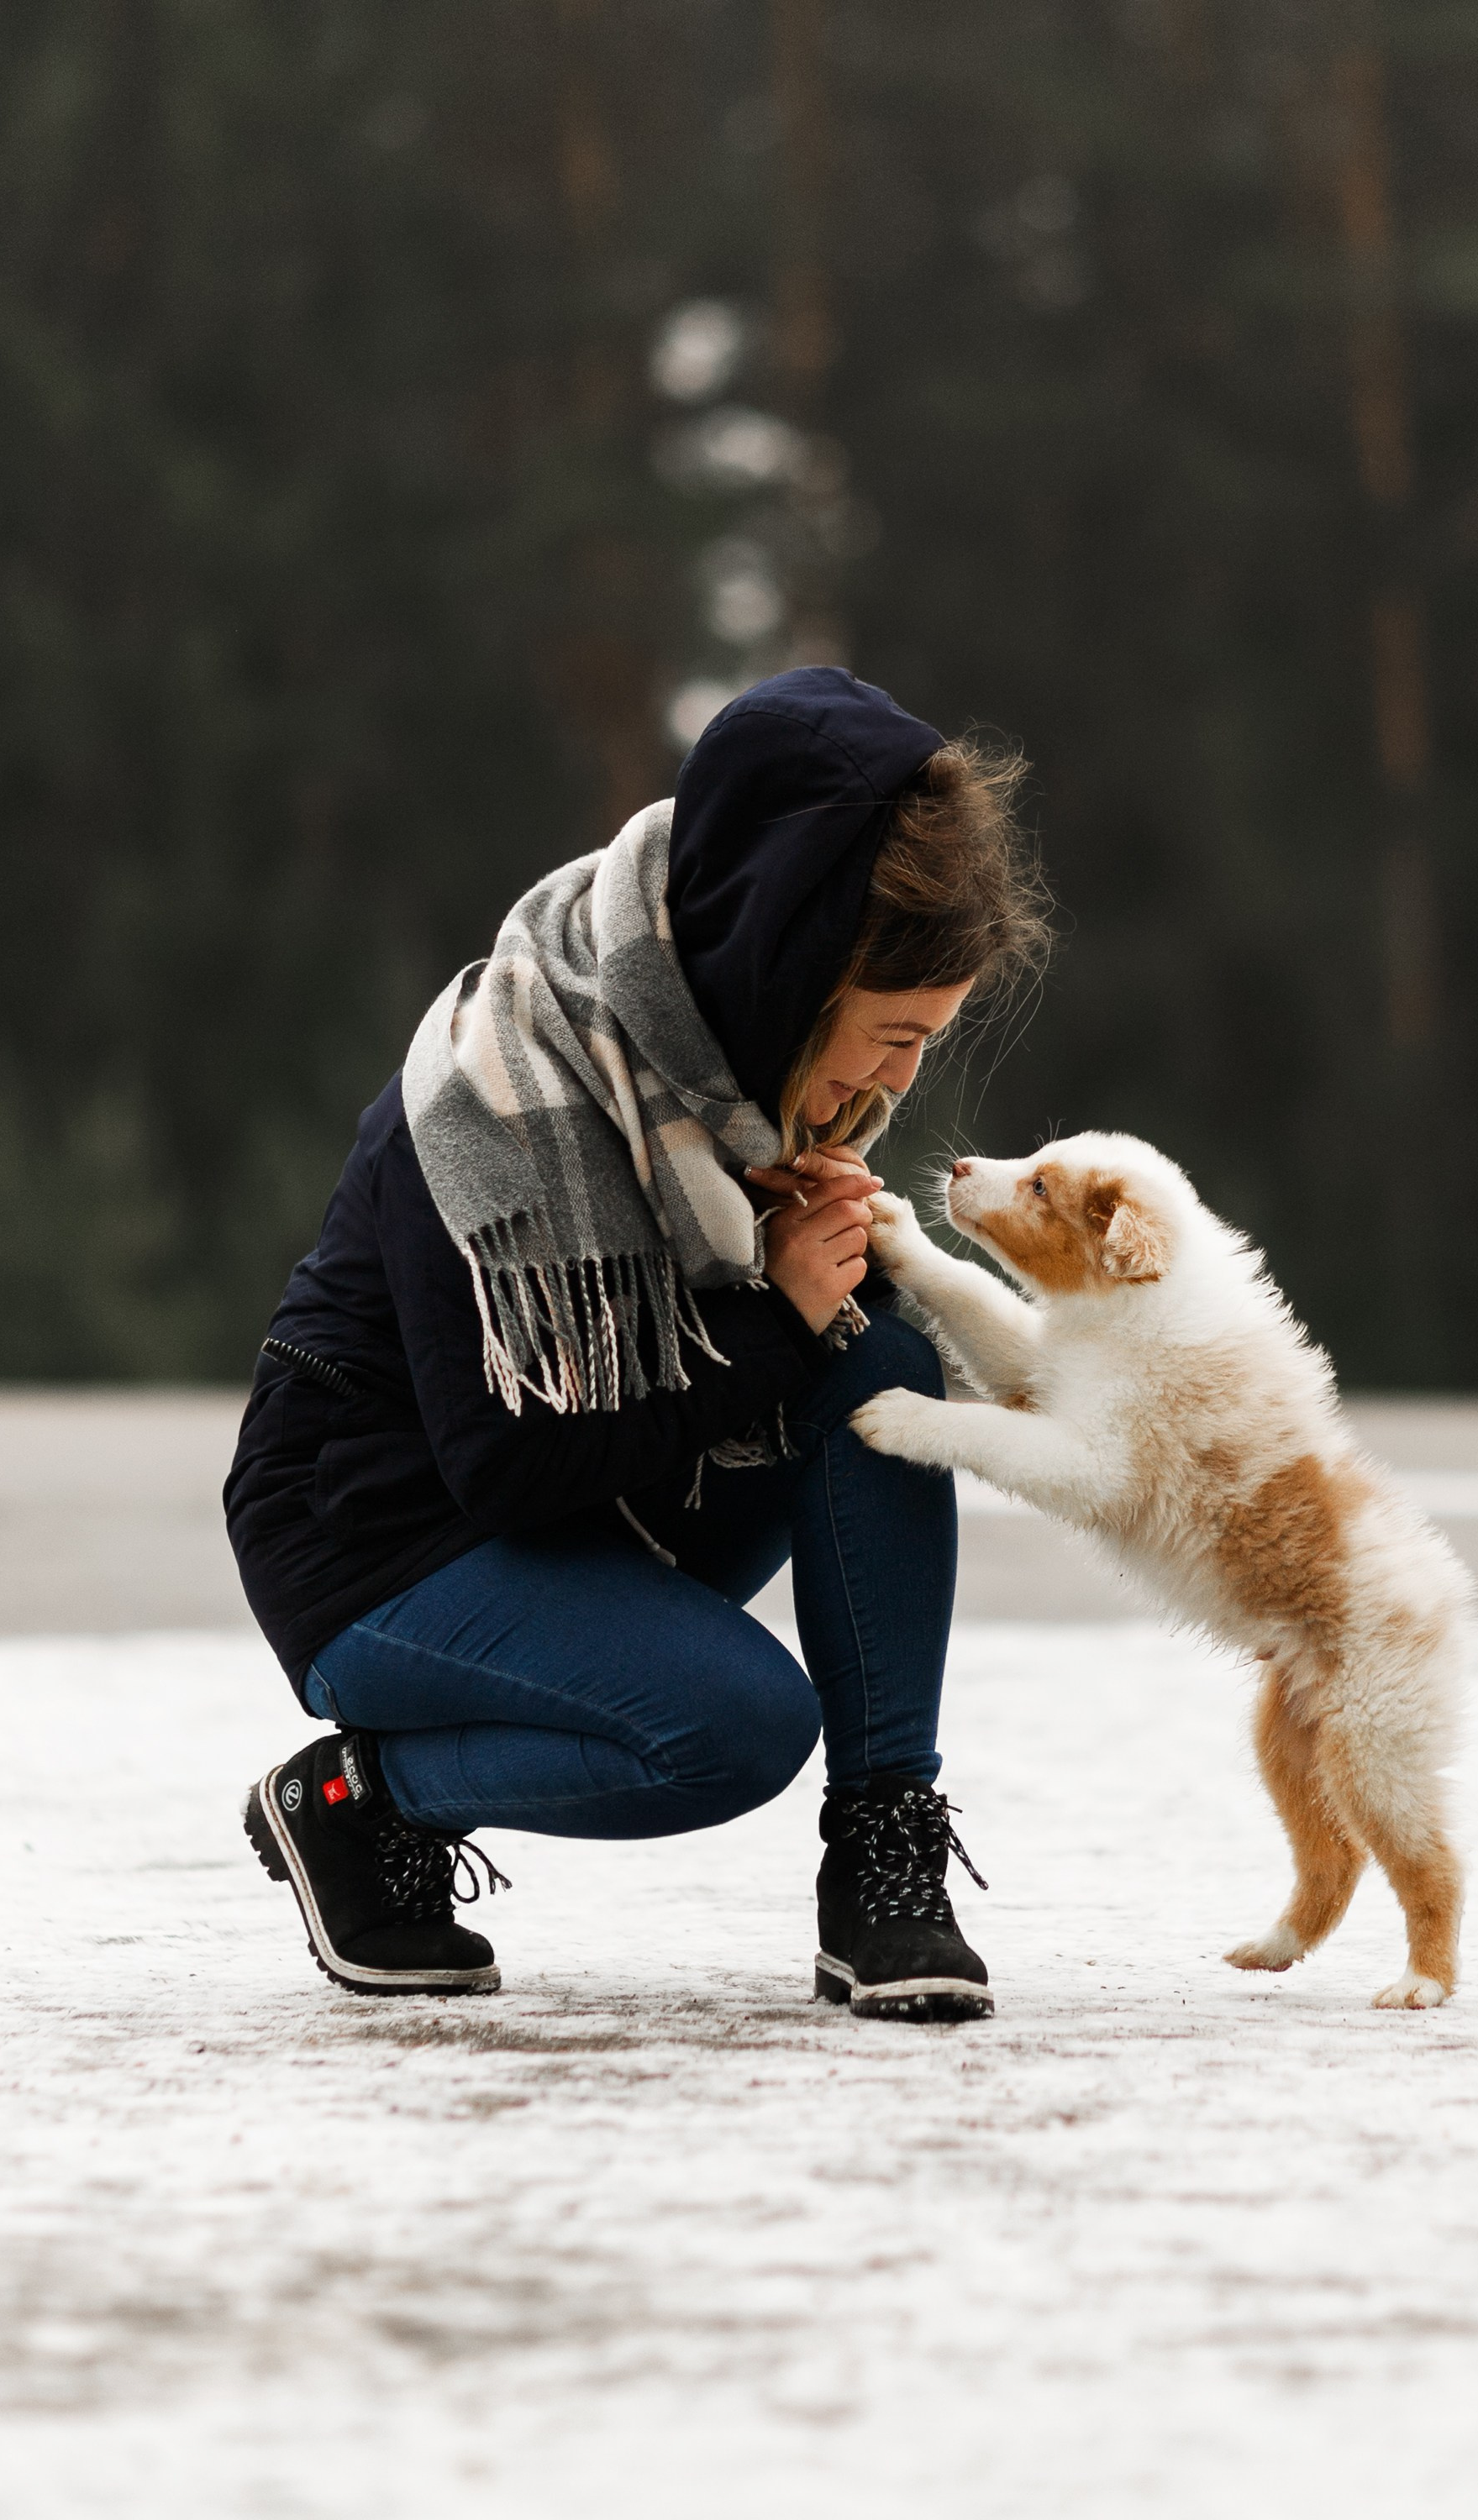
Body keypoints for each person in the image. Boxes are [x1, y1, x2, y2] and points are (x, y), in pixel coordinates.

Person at [225, 666, 1046, 2021]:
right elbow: (512, 1468)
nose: (901, 1083)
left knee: (883, 1375)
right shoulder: (496, 1090)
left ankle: (884, 1855)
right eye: (894, 1037)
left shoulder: (732, 1091)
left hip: (602, 1500)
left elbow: (778, 1372)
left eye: (930, 1042)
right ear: (789, 964)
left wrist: (805, 1286)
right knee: (732, 1728)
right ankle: (359, 1801)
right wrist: (774, 1308)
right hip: (379, 1540)